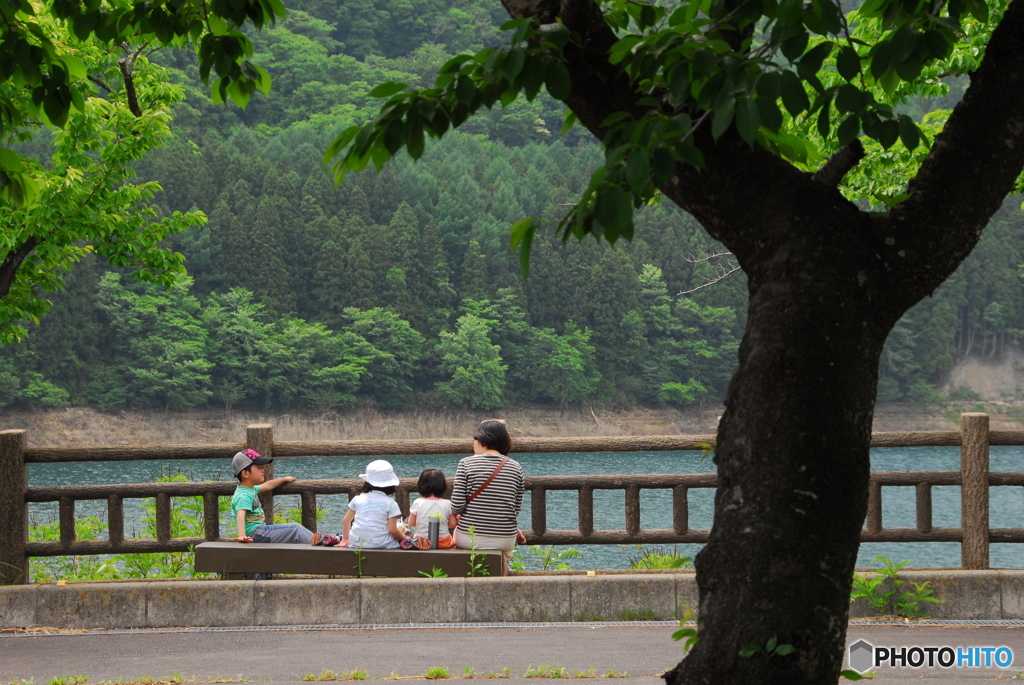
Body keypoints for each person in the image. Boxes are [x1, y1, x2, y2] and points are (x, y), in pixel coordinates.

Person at [451, 419, 525, 569]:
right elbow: (515, 509)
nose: (473, 444)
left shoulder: (466, 463)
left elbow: (457, 507)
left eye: (475, 440)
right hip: (505, 538)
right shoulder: (516, 467)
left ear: (482, 440)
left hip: (470, 537)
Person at [231, 449, 315, 544]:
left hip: (258, 533)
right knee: (296, 529)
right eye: (259, 467)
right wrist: (242, 536)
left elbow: (267, 485)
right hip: (256, 533)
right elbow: (240, 515)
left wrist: (283, 479)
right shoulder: (243, 495)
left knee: (295, 530)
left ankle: (320, 541)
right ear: (245, 473)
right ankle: (319, 542)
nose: (263, 470)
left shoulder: (250, 489)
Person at [338, 459, 408, 549]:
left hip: (357, 542)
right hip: (381, 543)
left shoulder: (357, 499)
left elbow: (346, 521)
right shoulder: (391, 503)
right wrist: (404, 539)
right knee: (402, 530)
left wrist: (345, 538)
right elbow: (392, 530)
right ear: (391, 485)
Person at [408, 468, 458, 549]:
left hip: (422, 542)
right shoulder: (447, 503)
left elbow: (411, 523)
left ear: (421, 486)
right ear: (443, 486)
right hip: (443, 542)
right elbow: (453, 524)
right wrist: (443, 523)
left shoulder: (417, 502)